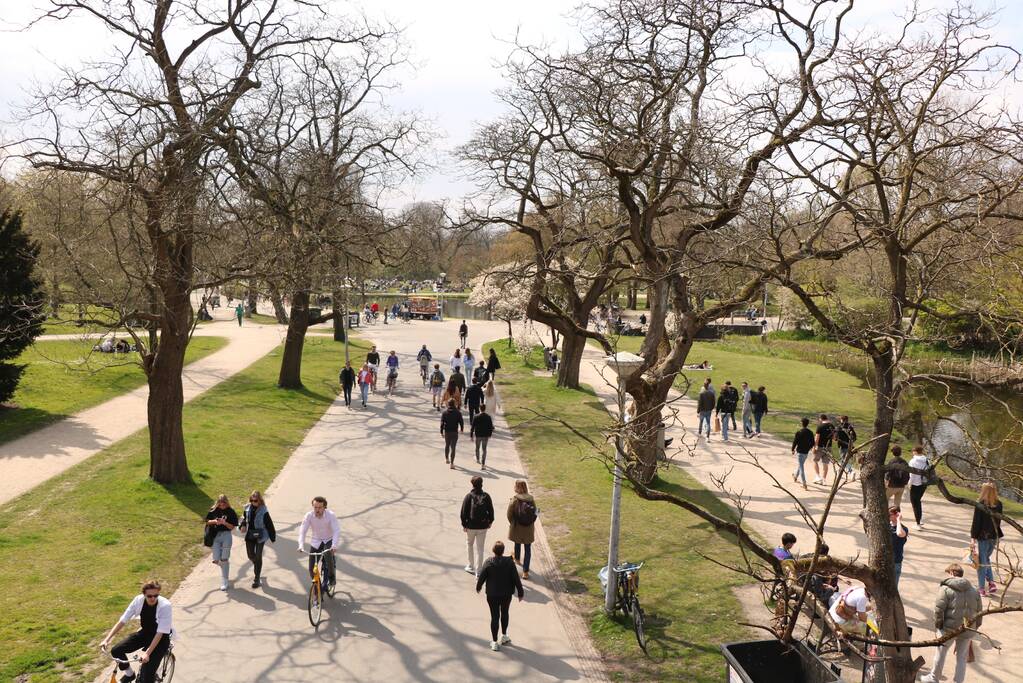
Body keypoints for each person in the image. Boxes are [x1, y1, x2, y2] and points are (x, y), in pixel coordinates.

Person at [100, 579, 173, 683]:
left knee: (146, 678)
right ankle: (130, 675)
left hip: (160, 639)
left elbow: (160, 632)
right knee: (116, 650)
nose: (153, 598)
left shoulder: (165, 605)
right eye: (149, 596)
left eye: (156, 595)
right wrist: (107, 639)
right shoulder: (138, 601)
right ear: (144, 594)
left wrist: (147, 653)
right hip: (145, 633)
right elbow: (123, 620)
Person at [920, 564, 983, 683]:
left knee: (940, 653)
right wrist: (975, 627)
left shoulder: (945, 589)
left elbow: (939, 610)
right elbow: (980, 611)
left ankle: (934, 678)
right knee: (962, 658)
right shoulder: (974, 590)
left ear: (952, 573)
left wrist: (939, 627)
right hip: (968, 628)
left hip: (948, 630)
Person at [475, 541, 524, 651]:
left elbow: (482, 576)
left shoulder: (488, 562)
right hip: (506, 594)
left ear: (493, 551)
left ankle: (494, 642)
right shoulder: (510, 563)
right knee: (505, 613)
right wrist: (520, 593)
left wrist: (478, 587)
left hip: (492, 594)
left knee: (494, 617)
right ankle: (504, 635)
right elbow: (516, 579)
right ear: (503, 551)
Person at [298, 496, 340, 591]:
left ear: (324, 507)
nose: (317, 510)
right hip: (316, 541)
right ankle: (318, 588)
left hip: (328, 540)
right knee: (311, 568)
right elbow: (302, 531)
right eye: (315, 507)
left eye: (320, 507)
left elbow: (336, 531)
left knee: (328, 555)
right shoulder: (309, 516)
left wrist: (334, 545)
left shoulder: (331, 515)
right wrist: (301, 545)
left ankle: (331, 578)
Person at [970, 482, 1004, 596]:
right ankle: (991, 583)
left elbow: (976, 522)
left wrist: (973, 538)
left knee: (982, 562)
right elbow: (998, 521)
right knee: (986, 559)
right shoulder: (999, 504)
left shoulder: (980, 504)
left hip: (983, 536)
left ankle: (981, 588)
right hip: (994, 536)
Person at [237, 490, 276, 589]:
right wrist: (243, 525)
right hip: (250, 535)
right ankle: (257, 565)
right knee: (250, 555)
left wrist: (273, 537)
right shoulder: (247, 508)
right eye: (252, 500)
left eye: (255, 501)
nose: (253, 502)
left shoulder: (263, 510)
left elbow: (269, 524)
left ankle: (257, 578)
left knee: (258, 556)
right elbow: (244, 519)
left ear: (260, 500)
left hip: (260, 536)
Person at [461, 476, 495, 574]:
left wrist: (464, 524)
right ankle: (479, 570)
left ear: (472, 484)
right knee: (480, 548)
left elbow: (463, 512)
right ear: (482, 484)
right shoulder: (486, 496)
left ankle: (470, 565)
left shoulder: (468, 496)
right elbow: (491, 510)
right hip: (483, 526)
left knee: (469, 544)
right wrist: (490, 521)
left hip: (471, 526)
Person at [205, 494, 237, 591]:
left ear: (227, 503)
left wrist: (224, 523)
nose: (222, 506)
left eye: (224, 504)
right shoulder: (213, 510)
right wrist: (215, 521)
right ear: (218, 503)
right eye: (220, 504)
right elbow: (207, 521)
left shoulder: (231, 511)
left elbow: (232, 527)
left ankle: (225, 581)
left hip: (226, 536)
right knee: (216, 559)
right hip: (215, 536)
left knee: (224, 559)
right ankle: (224, 565)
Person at [507, 480, 538, 580]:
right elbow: (536, 512)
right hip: (528, 529)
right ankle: (525, 572)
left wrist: (513, 523)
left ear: (517, 488)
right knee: (528, 549)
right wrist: (532, 521)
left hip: (517, 527)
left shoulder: (515, 499)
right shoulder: (531, 499)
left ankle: (517, 559)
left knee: (517, 543)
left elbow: (509, 514)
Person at [908, 445, 931, 529]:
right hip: (924, 483)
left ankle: (918, 524)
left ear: (915, 452)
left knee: (915, 503)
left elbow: (912, 475)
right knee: (918, 501)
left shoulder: (913, 461)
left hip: (915, 484)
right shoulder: (927, 460)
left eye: (913, 451)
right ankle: (920, 520)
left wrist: (910, 484)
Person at [887, 506, 909, 589]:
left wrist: (898, 520)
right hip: (885, 560)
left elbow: (899, 534)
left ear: (897, 515)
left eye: (890, 514)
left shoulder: (904, 529)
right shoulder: (886, 526)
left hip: (895, 562)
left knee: (892, 587)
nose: (887, 516)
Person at [791, 417, 814, 490]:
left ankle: (804, 483)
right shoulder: (810, 432)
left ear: (802, 423)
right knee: (800, 465)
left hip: (800, 452)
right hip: (806, 452)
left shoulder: (799, 432)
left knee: (801, 467)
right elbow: (813, 443)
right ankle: (795, 476)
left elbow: (795, 442)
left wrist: (792, 449)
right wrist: (809, 448)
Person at [441, 399, 464, 468]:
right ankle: (452, 463)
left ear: (448, 404)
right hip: (454, 431)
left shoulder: (445, 412)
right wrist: (461, 429)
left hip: (447, 431)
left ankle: (447, 459)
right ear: (454, 404)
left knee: (447, 445)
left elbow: (442, 423)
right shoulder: (458, 412)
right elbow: (461, 422)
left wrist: (441, 431)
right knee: (453, 447)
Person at [813, 414, 835, 485]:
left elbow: (817, 438)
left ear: (820, 419)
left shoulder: (820, 426)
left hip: (820, 447)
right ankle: (824, 480)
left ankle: (817, 476)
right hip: (828, 447)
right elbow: (834, 438)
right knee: (825, 463)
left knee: (815, 461)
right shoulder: (832, 426)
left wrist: (814, 447)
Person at [473, 404, 496, 469]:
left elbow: (473, 426)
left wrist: (471, 435)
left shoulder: (476, 416)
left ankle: (478, 459)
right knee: (484, 449)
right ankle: (483, 464)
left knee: (477, 448)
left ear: (479, 408)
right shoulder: (488, 417)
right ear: (485, 409)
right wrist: (490, 434)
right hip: (485, 435)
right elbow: (490, 427)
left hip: (478, 435)